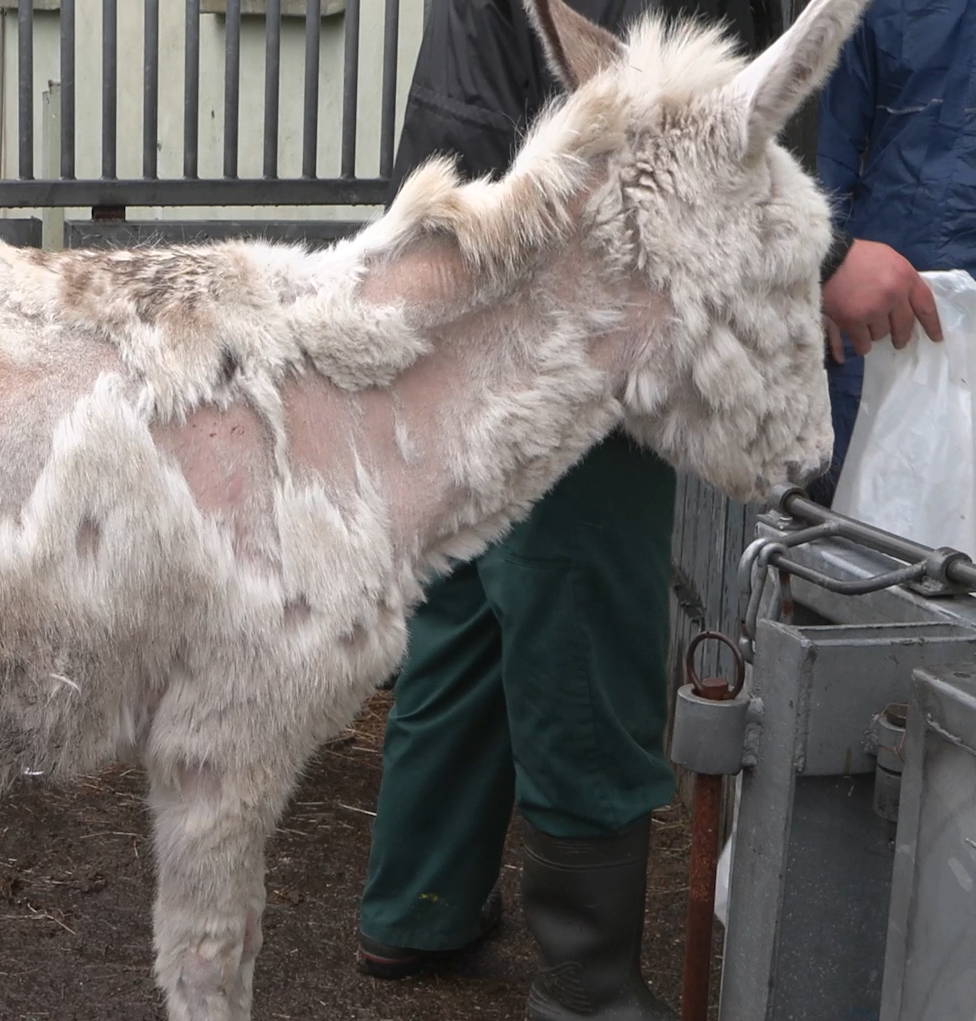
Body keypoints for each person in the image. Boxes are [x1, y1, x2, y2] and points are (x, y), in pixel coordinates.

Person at [355, 0, 768, 1018]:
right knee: (580, 631)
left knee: (465, 616)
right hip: (571, 318)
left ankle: (417, 903)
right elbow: (667, 135)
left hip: (459, 294)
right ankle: (586, 980)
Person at [805, 0, 970, 506]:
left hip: (898, 304)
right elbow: (826, 151)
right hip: (881, 315)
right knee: (858, 513)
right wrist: (818, 273)